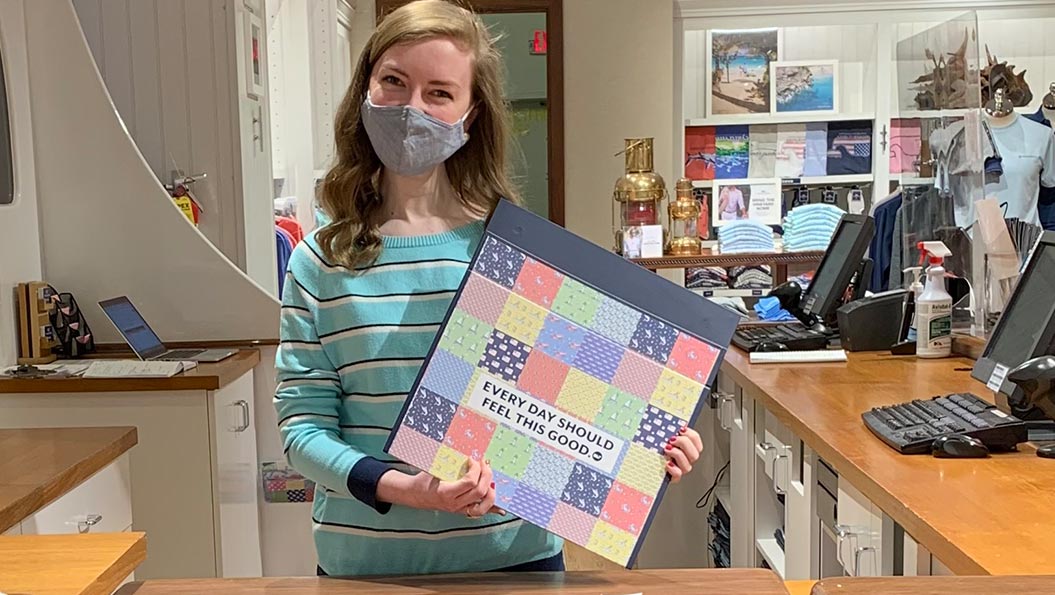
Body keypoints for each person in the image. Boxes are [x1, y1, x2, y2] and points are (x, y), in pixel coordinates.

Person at [275, 0, 705, 577]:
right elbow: (303, 431)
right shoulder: (319, 262)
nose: (411, 108)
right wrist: (407, 488)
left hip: (511, 562)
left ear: (469, 114)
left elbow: (568, 407)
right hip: (365, 566)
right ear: (366, 91)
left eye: (439, 92)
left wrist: (648, 444)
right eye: (394, 82)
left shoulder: (517, 257)